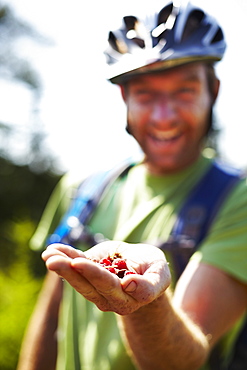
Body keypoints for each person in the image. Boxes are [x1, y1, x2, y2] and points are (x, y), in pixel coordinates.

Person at [17, 2, 247, 370]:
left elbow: (186, 360)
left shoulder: (240, 200)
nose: (164, 117)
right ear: (125, 98)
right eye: (145, 94)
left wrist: (145, 305)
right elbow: (51, 317)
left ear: (213, 91)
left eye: (184, 91)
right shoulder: (82, 188)